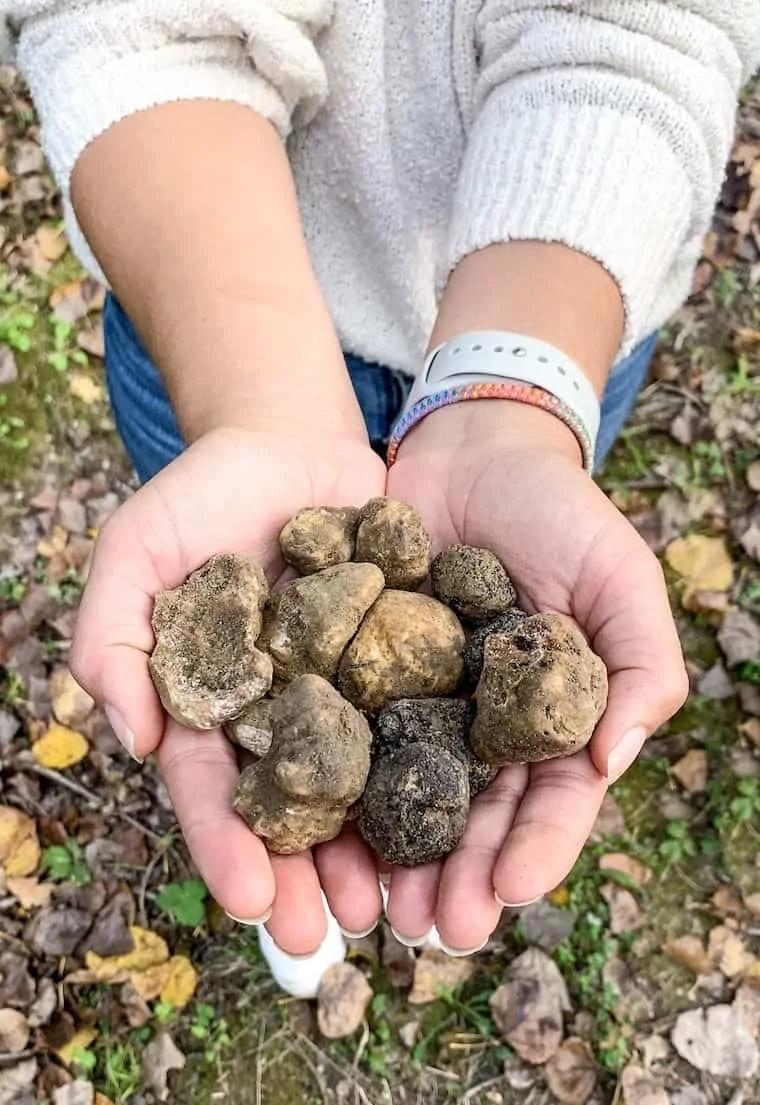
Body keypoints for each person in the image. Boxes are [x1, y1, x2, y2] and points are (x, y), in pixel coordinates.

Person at [2, 1, 757, 995]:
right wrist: (260, 403)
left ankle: (299, 903)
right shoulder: (325, 609)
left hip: (550, 331)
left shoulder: (437, 621)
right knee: (252, 750)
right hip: (208, 315)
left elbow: (641, 31)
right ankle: (287, 913)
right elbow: (130, 22)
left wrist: (509, 407)